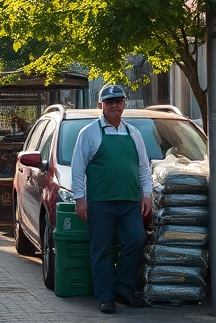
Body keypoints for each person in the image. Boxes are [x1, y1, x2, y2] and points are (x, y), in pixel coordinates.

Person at [71, 84, 151, 314]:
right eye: (109, 102)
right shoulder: (89, 133)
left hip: (130, 202)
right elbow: (78, 168)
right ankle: (105, 296)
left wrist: (146, 195)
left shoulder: (133, 133)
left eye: (119, 101)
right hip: (100, 202)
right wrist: (80, 199)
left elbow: (143, 167)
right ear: (101, 105)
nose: (114, 106)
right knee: (101, 249)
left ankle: (123, 289)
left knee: (136, 240)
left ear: (124, 104)